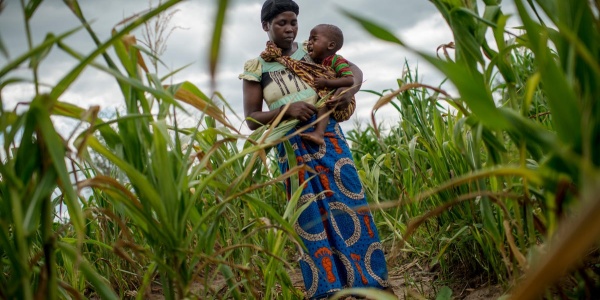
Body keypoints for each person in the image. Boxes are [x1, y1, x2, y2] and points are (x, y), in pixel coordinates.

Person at [239, 1, 394, 299]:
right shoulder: (257, 68)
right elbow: (250, 119)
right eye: (282, 22)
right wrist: (286, 110)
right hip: (291, 147)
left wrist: (349, 89)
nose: (289, 28)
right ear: (266, 26)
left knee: (350, 202)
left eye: (293, 22)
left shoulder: (310, 53)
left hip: (329, 137)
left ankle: (369, 282)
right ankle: (328, 289)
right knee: (310, 216)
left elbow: (352, 70)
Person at [301, 23, 354, 146]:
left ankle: (319, 133)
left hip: (337, 97)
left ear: (330, 45)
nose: (309, 43)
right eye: (309, 39)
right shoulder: (316, 60)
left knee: (324, 104)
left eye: (314, 39)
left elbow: (349, 80)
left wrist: (326, 82)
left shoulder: (337, 60)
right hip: (327, 93)